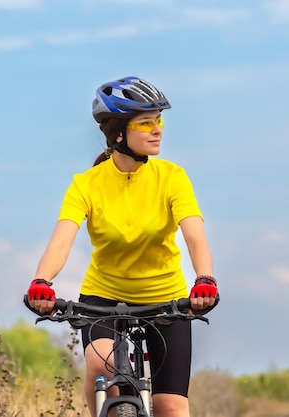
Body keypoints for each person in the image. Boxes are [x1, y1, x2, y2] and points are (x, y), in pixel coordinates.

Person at [25, 76, 218, 417]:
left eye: (158, 120)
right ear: (117, 134)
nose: (157, 129)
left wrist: (205, 278)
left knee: (170, 405)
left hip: (165, 297)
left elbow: (194, 234)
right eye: (146, 122)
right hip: (103, 298)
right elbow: (61, 241)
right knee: (102, 367)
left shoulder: (172, 177)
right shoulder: (86, 185)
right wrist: (41, 282)